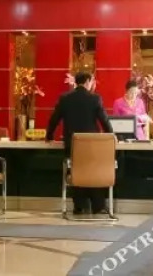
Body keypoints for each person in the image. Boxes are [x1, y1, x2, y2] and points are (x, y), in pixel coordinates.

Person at [46, 72, 114, 215]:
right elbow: (104, 120)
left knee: (76, 171)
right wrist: (111, 135)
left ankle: (79, 206)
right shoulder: (95, 98)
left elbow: (54, 119)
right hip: (92, 146)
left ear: (76, 82)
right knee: (94, 172)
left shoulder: (65, 98)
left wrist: (49, 136)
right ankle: (98, 206)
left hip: (72, 145)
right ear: (88, 81)